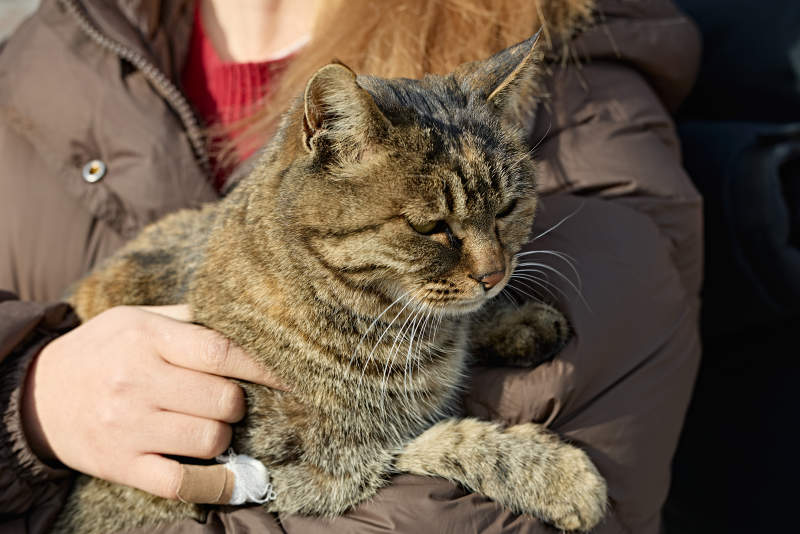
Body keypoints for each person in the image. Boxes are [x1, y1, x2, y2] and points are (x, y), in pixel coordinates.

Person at [0, 0, 703, 532]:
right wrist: (27, 399)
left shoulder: (579, 68)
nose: (493, 266)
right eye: (434, 230)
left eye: (507, 215)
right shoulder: (43, 54)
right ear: (328, 144)